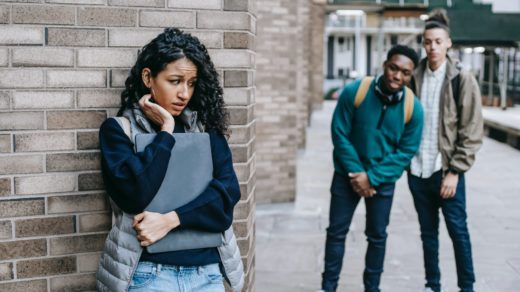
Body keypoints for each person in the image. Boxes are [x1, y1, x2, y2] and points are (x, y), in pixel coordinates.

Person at [95, 28, 243, 292]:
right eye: (175, 81)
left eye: (191, 83)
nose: (184, 94)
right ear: (148, 77)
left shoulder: (206, 131)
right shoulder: (119, 131)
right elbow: (134, 194)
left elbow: (226, 197)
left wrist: (171, 219)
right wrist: (166, 130)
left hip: (206, 274)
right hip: (148, 275)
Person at [321, 45, 424, 292]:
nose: (398, 76)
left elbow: (405, 152)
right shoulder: (356, 91)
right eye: (394, 68)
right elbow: (339, 133)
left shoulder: (414, 108)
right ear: (385, 65)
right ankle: (327, 287)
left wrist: (372, 178)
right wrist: (358, 174)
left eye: (406, 73)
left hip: (382, 181)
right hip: (347, 175)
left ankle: (372, 288)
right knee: (336, 232)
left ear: (411, 76)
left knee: (377, 236)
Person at [408, 9, 483, 292]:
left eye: (438, 41)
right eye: (428, 42)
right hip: (418, 170)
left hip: (446, 172)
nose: (433, 47)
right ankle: (433, 285)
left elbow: (472, 130)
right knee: (428, 234)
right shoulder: (415, 76)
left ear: (448, 43)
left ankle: (467, 287)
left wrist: (454, 171)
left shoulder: (461, 78)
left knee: (458, 232)